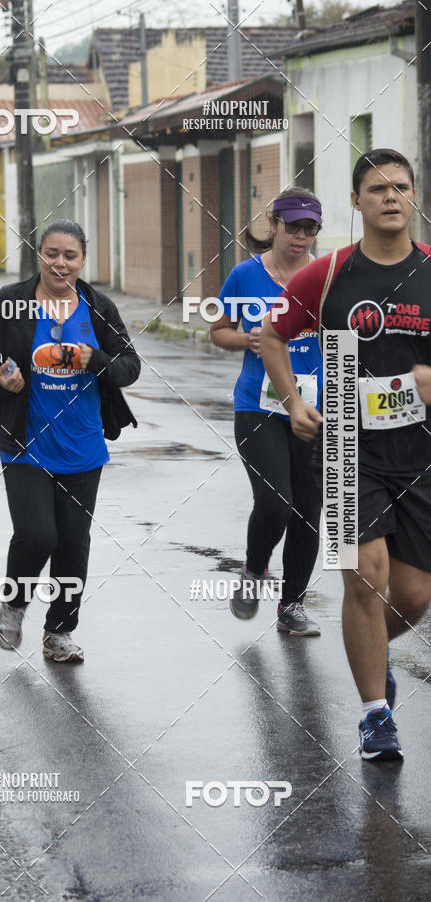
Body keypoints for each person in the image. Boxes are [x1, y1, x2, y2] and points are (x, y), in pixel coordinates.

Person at [261, 148, 431, 761]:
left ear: (414, 197)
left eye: (402, 187)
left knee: (413, 596)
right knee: (366, 577)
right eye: (378, 188)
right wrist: (290, 400)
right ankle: (374, 714)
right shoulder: (328, 276)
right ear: (356, 201)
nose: (391, 197)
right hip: (343, 449)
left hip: (421, 455)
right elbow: (272, 337)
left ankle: (371, 655)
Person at [0, 219, 140, 662]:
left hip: (83, 445)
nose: (60, 263)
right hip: (24, 440)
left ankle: (59, 633)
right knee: (37, 536)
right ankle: (15, 603)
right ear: (38, 255)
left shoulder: (98, 308)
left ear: (83, 260)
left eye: (70, 255)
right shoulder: (10, 302)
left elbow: (130, 366)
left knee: (72, 543)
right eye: (52, 253)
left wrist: (96, 359)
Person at [211, 187, 324, 636]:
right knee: (275, 503)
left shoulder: (328, 274)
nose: (300, 237)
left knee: (307, 512)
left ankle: (292, 607)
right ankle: (255, 570)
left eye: (309, 229)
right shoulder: (245, 275)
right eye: (292, 227)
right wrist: (248, 339)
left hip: (314, 408)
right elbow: (218, 331)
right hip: (257, 405)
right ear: (273, 224)